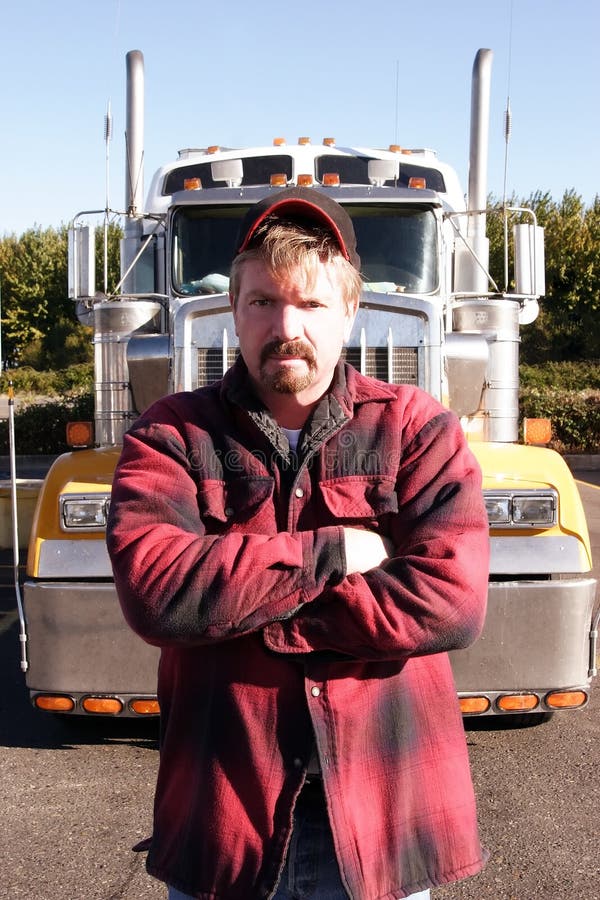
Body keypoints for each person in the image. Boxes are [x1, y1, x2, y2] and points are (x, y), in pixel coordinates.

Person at [106, 186, 490, 900]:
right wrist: (330, 554)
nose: (287, 326)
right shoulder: (170, 436)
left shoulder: (419, 430)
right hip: (226, 816)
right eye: (263, 302)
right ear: (233, 312)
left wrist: (239, 606)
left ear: (349, 310)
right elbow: (158, 595)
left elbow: (450, 605)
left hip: (383, 816)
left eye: (311, 304)